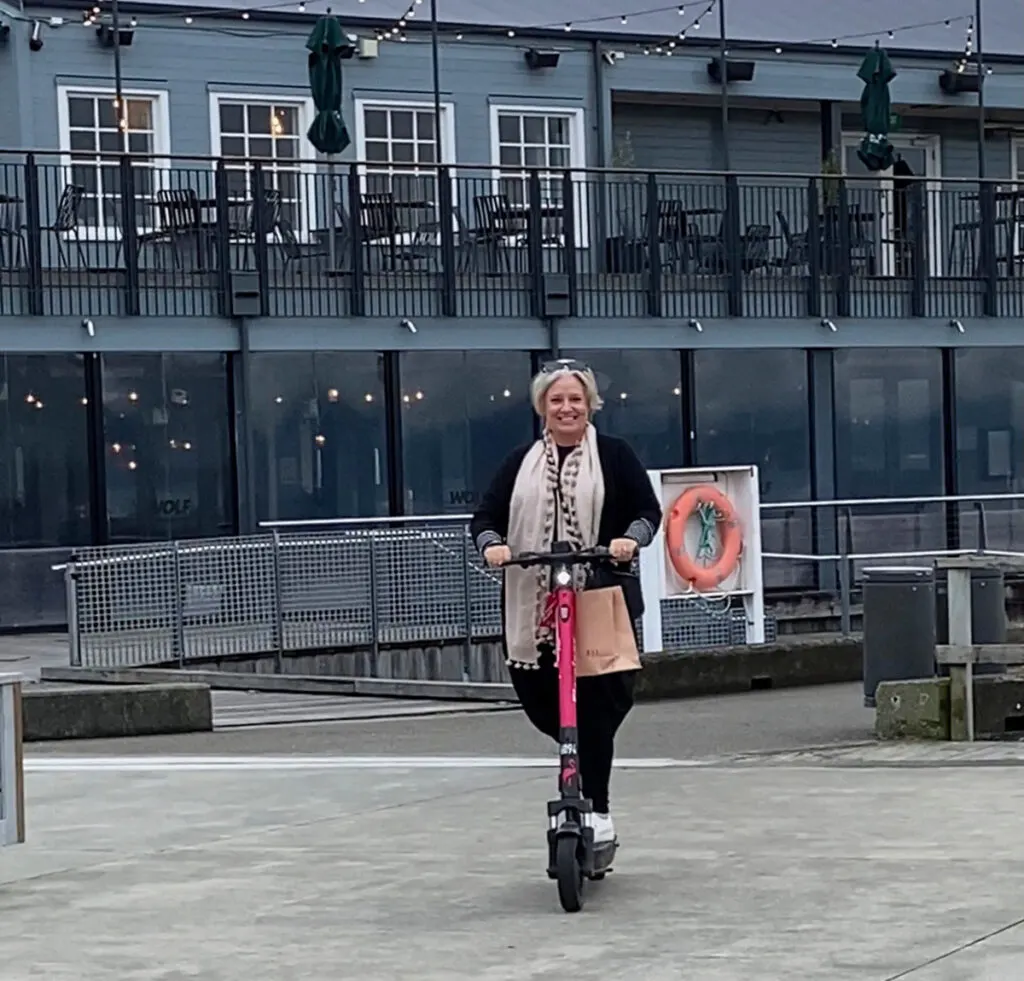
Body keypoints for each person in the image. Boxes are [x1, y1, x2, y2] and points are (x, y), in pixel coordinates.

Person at [470, 358, 662, 845]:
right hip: (535, 604)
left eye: (575, 398)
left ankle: (596, 808)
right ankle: (578, 773)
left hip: (599, 594)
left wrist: (629, 540)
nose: (566, 408)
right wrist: (493, 544)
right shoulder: (520, 463)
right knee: (542, 703)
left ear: (590, 404)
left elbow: (647, 511)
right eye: (556, 399)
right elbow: (485, 517)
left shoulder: (615, 456)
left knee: (601, 705)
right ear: (542, 407)